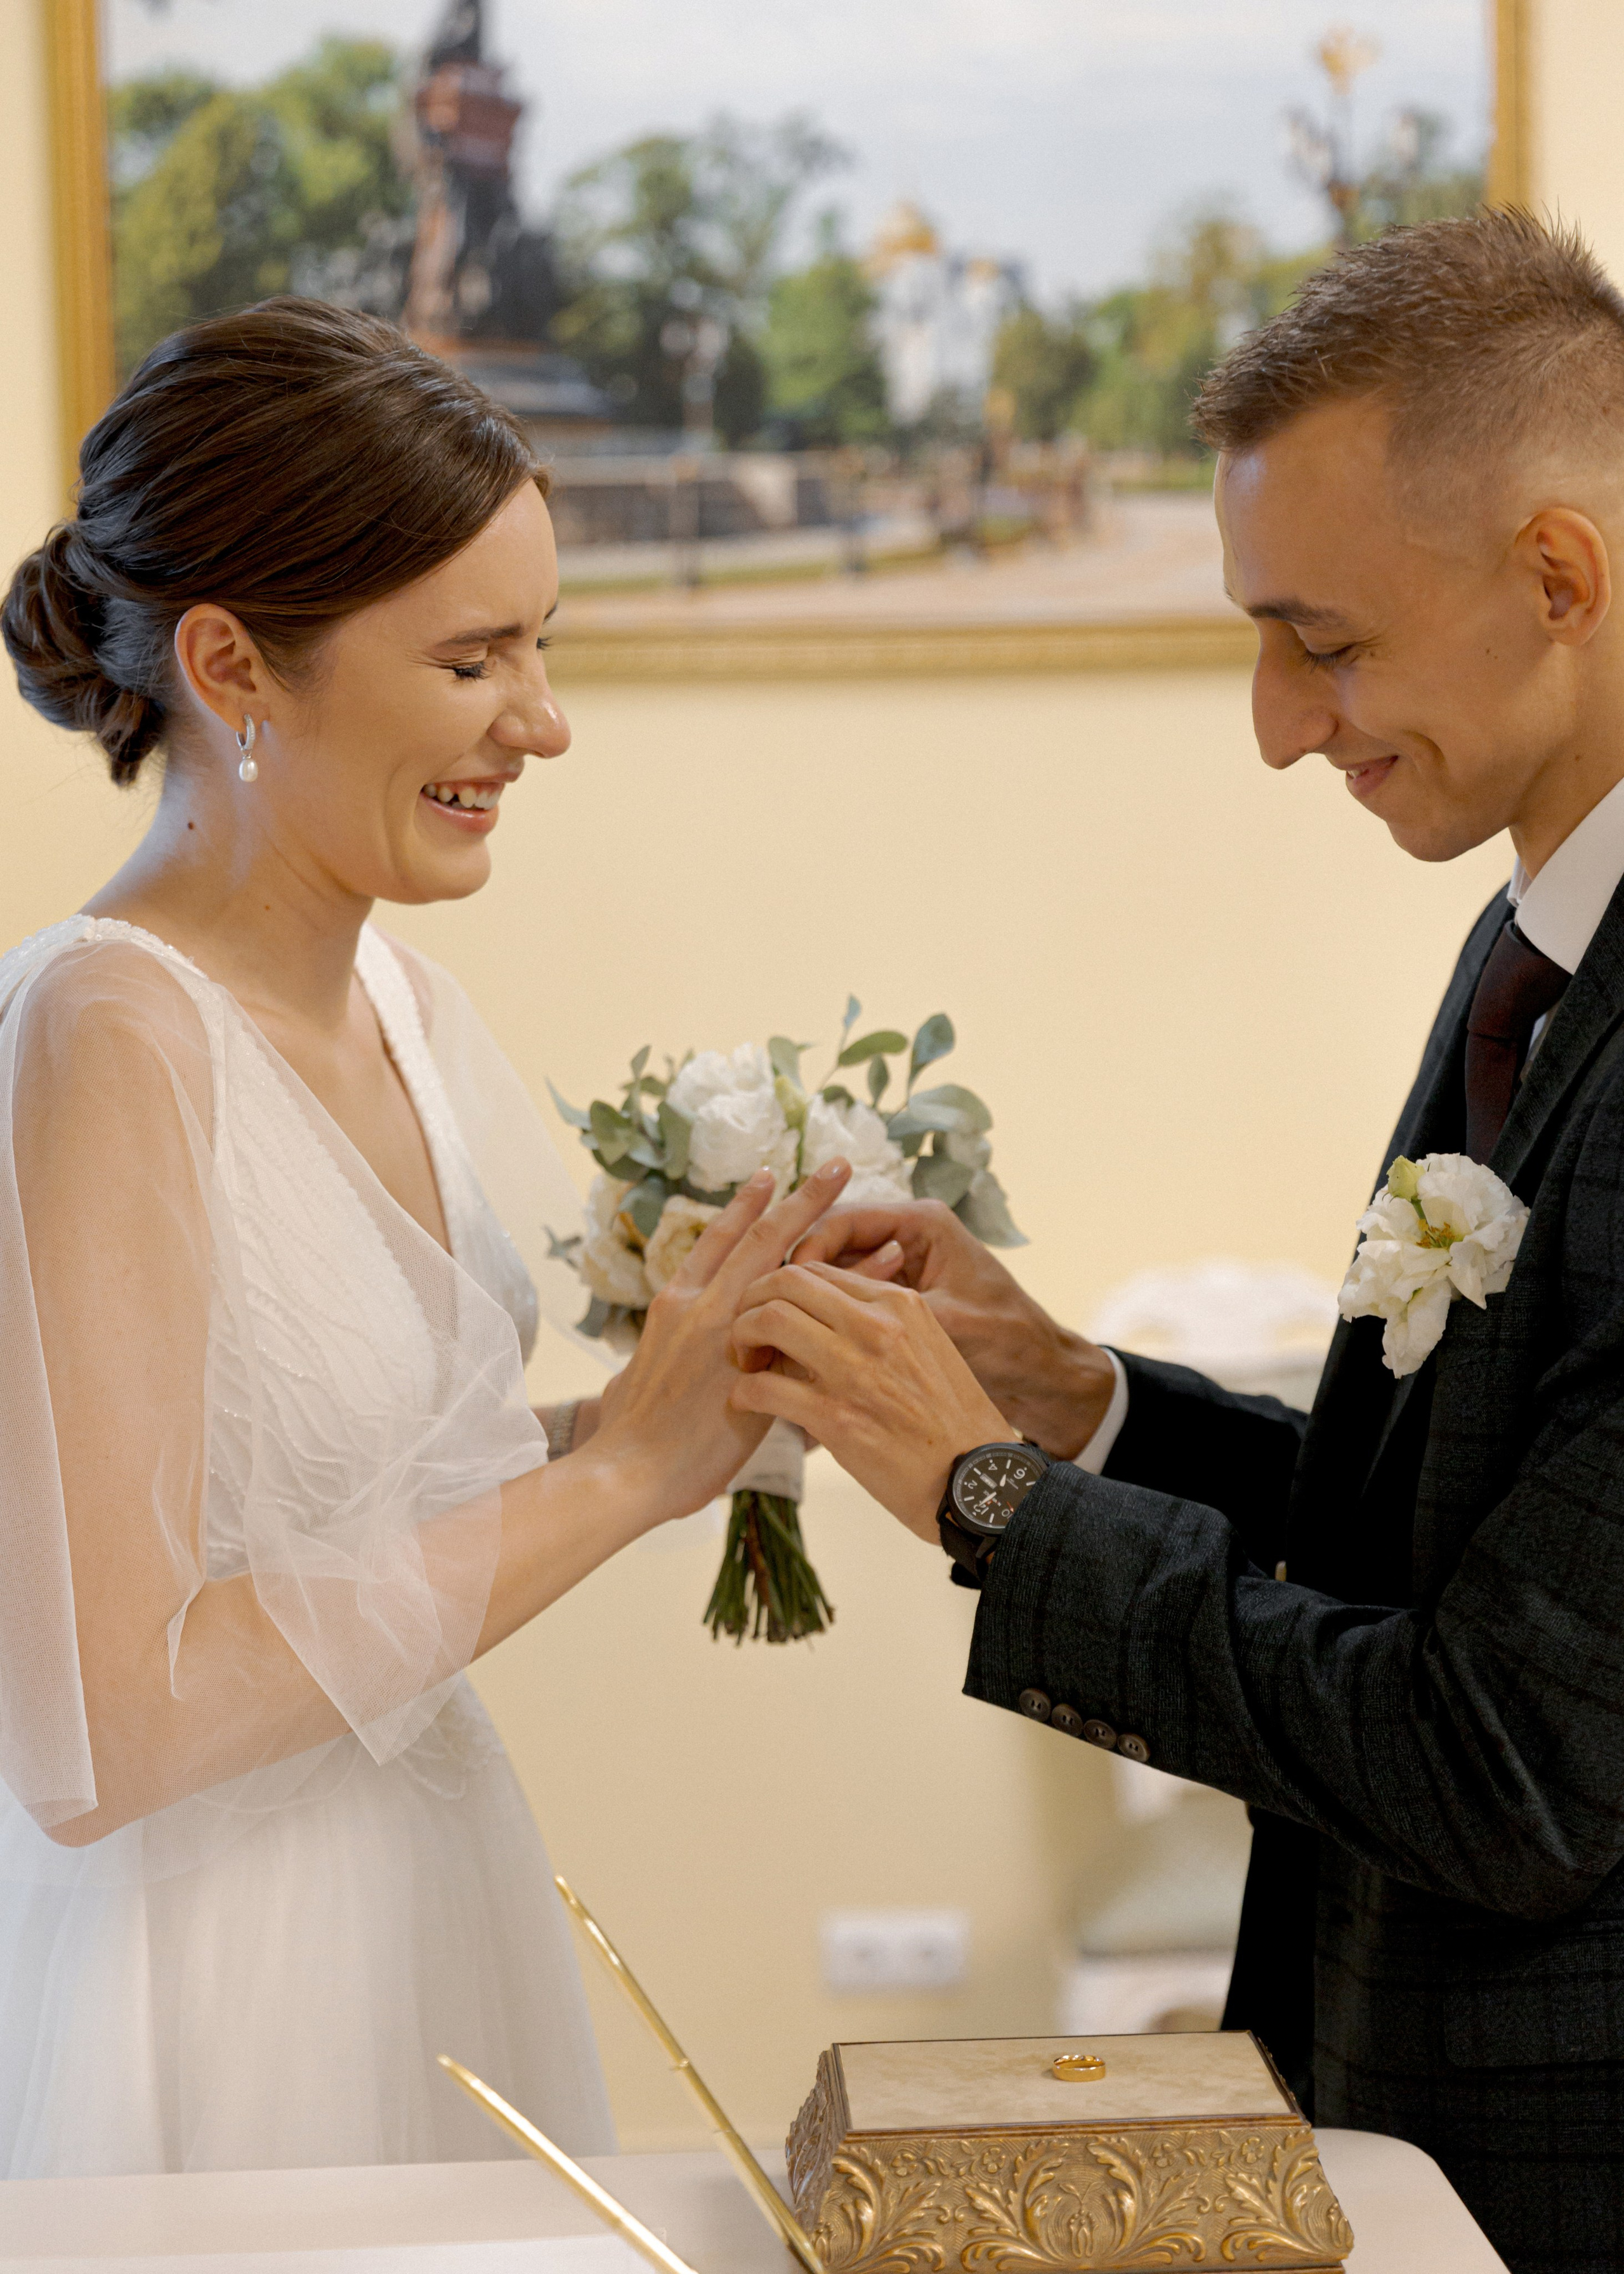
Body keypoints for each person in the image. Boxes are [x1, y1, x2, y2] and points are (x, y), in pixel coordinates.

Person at [726, 211, 1624, 2274]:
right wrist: (1080, 1400)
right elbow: (1429, 1543)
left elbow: (1502, 1761)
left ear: (1557, 578)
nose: (1274, 722)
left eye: (1321, 640)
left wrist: (990, 1494)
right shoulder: (1533, 939)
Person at [0, 297, 857, 2178]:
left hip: (428, 1898)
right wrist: (619, 1473)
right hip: (228, 1983)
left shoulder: (406, 1001)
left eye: (541, 647)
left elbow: (356, 1511)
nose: (540, 725)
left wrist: (673, 1413)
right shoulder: (106, 1035)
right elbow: (107, 1729)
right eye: (475, 660)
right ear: (233, 662)